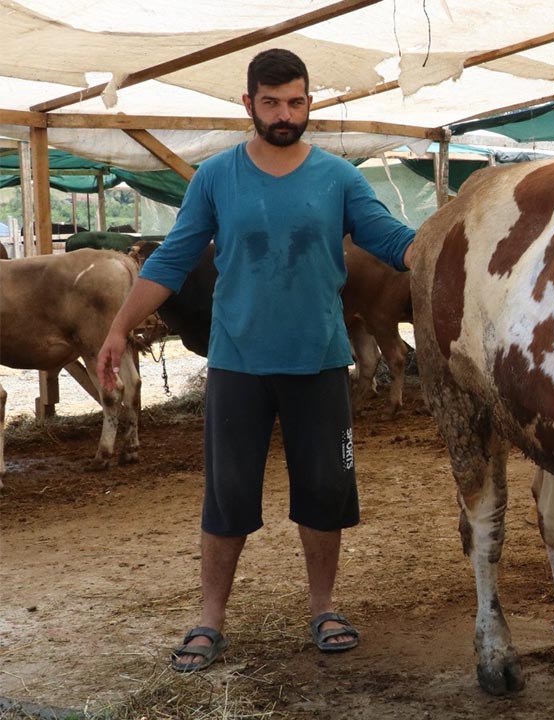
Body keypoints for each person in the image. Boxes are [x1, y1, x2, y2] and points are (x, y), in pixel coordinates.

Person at [96, 48, 416, 673]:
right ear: (249, 104)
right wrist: (117, 328)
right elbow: (170, 259)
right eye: (271, 103)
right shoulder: (217, 178)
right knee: (227, 496)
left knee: (325, 492)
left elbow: (393, 241)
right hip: (238, 363)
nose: (284, 114)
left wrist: (450, 237)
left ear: (309, 104)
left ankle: (323, 608)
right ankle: (211, 618)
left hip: (321, 363)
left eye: (295, 102)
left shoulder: (339, 179)